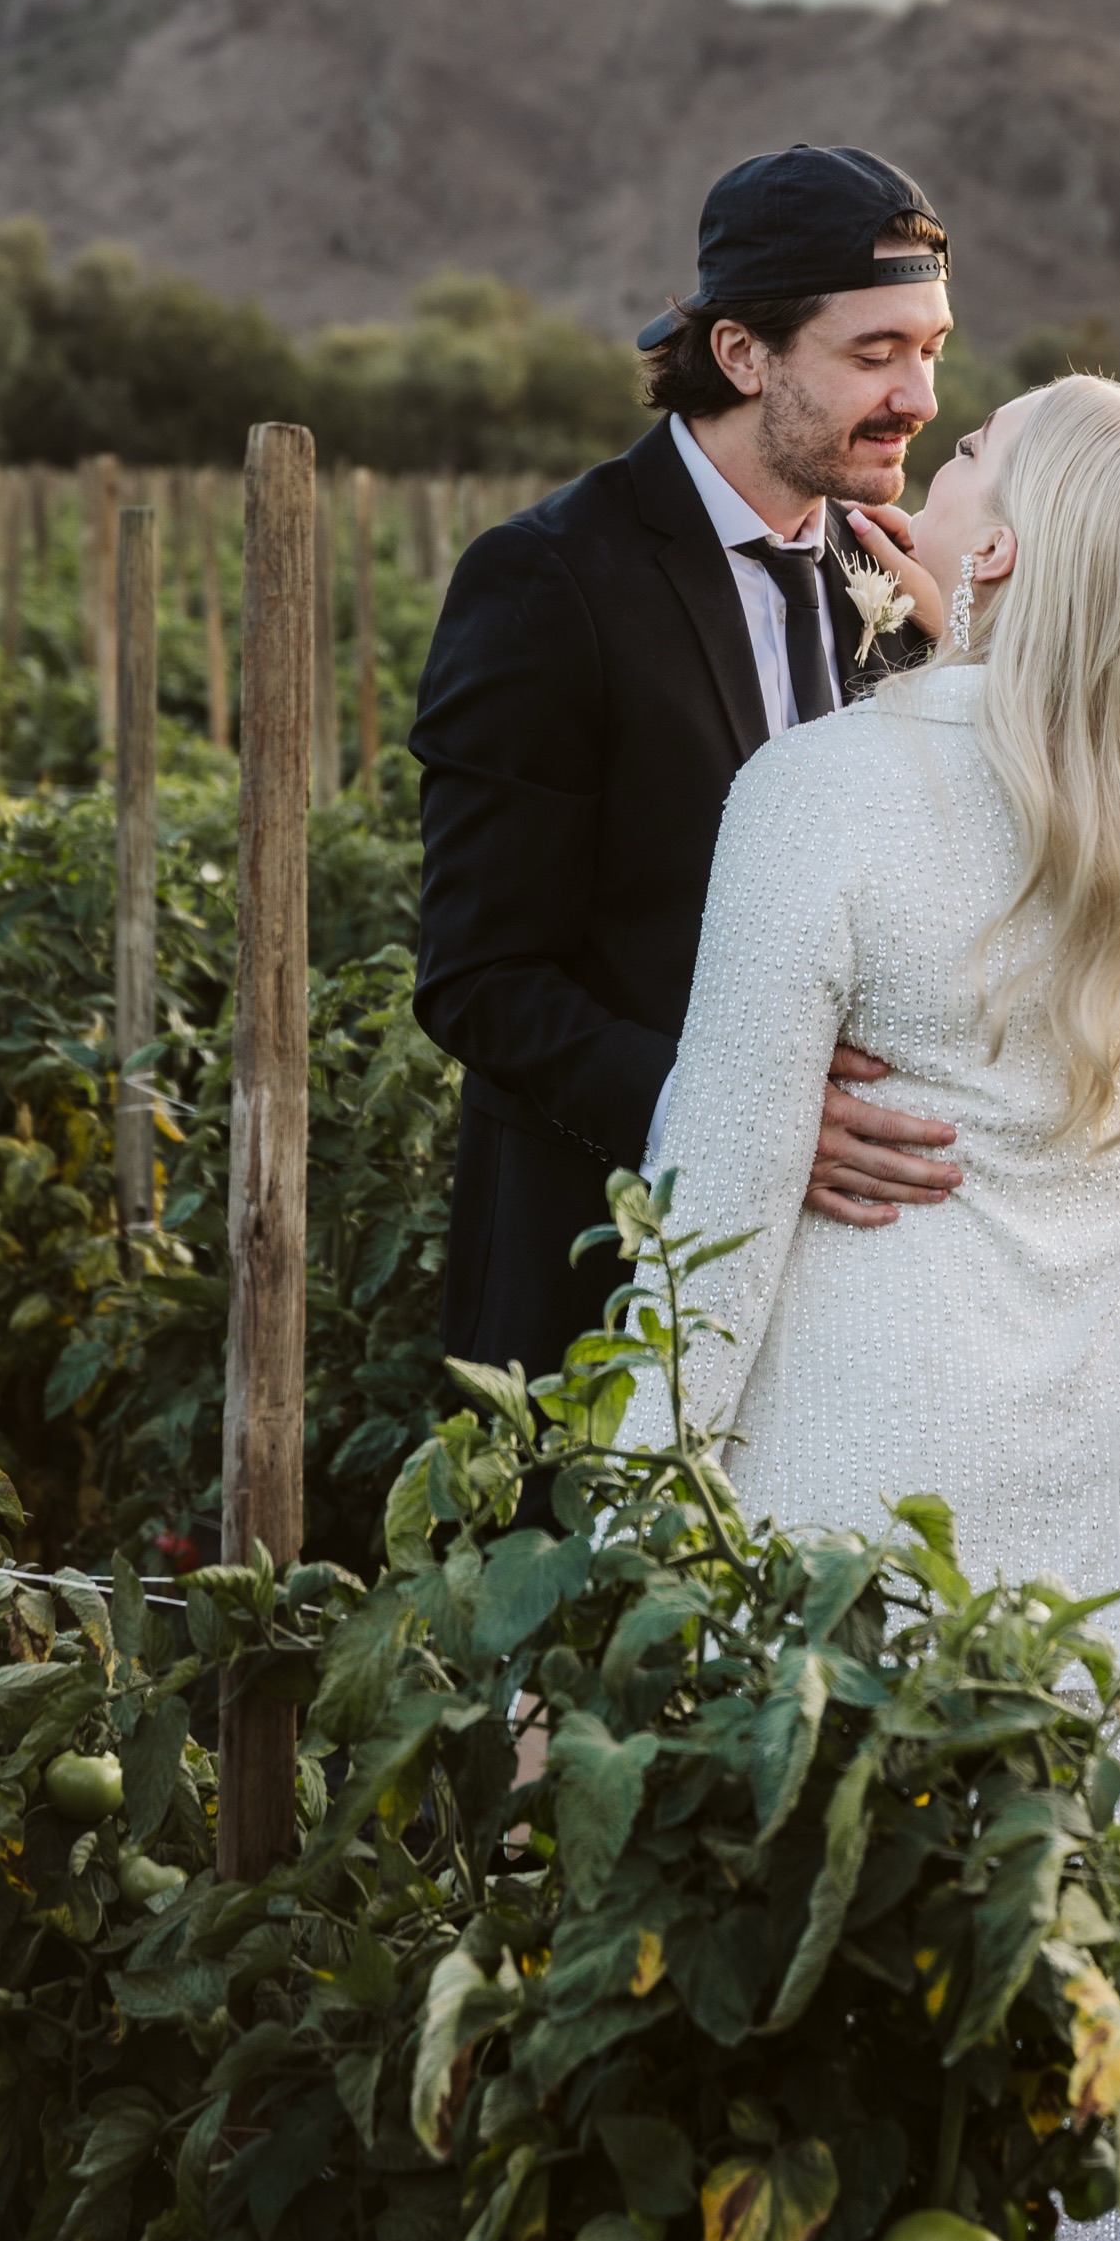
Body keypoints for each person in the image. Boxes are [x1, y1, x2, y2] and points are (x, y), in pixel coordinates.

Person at [633, 375, 1120, 1653]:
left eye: (972, 449)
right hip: (1101, 1461)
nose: (938, 441)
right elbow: (1011, 749)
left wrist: (617, 1544)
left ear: (994, 547)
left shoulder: (817, 791)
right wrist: (975, 635)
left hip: (855, 1457)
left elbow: (713, 1212)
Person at [410, 144, 968, 1375]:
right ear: (740, 354)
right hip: (602, 1275)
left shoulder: (894, 578)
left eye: (930, 349)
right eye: (872, 355)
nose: (919, 396)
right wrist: (741, 1122)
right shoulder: (548, 579)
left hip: (842, 1303)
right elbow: (480, 976)